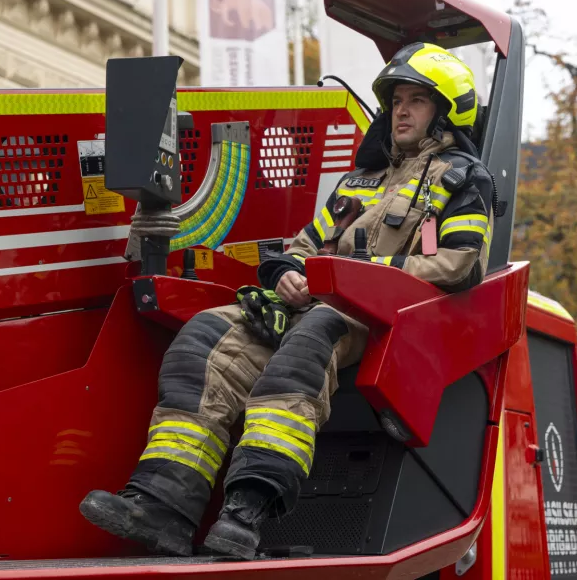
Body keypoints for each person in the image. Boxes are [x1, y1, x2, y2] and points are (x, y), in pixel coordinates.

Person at [79, 42, 497, 560]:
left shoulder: (462, 182)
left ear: (447, 111)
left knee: (307, 343)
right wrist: (287, 276)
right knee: (206, 336)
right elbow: (302, 246)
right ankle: (165, 504)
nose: (401, 111)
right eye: (396, 101)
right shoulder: (360, 180)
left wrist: (352, 278)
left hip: (379, 317)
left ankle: (245, 513)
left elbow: (459, 264)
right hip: (315, 301)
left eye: (417, 100)